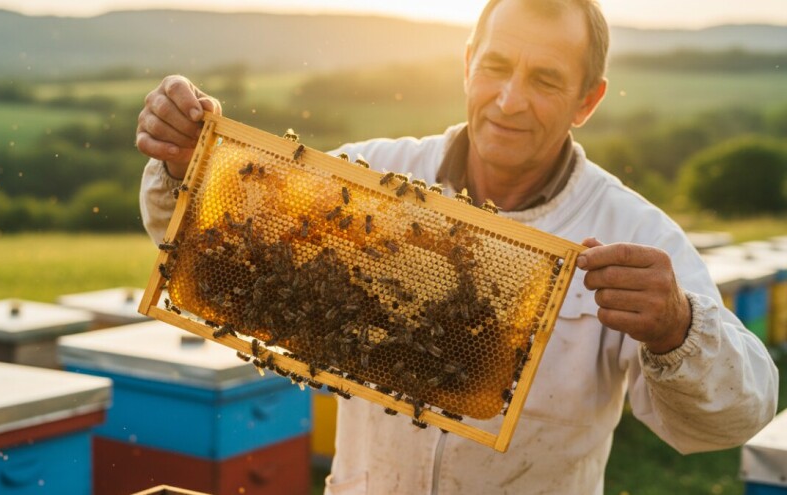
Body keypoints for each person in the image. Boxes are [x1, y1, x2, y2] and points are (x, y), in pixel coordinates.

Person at [135, 0, 778, 492]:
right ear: (468, 61)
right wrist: (189, 164)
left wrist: (679, 329)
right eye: (496, 67)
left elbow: (734, 417)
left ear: (588, 101)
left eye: (545, 81)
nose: (508, 100)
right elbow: (215, 246)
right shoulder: (370, 177)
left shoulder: (634, 233)